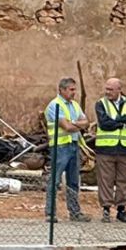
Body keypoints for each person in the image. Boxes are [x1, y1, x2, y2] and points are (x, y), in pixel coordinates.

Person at [91, 76, 126, 224]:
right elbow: (105, 123)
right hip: (106, 149)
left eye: (111, 90)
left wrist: (116, 120)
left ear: (119, 90)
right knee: (105, 180)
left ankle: (121, 209)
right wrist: (122, 122)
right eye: (107, 89)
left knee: (123, 180)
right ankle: (106, 209)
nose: (108, 92)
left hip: (125, 149)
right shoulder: (101, 104)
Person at [43, 76, 89, 222]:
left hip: (74, 145)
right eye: (71, 89)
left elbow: (86, 122)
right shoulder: (54, 105)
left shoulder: (75, 105)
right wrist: (77, 124)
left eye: (75, 89)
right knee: (55, 180)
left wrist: (74, 123)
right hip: (60, 147)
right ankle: (50, 213)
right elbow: (66, 127)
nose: (74, 92)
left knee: (73, 181)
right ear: (62, 90)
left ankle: (75, 212)